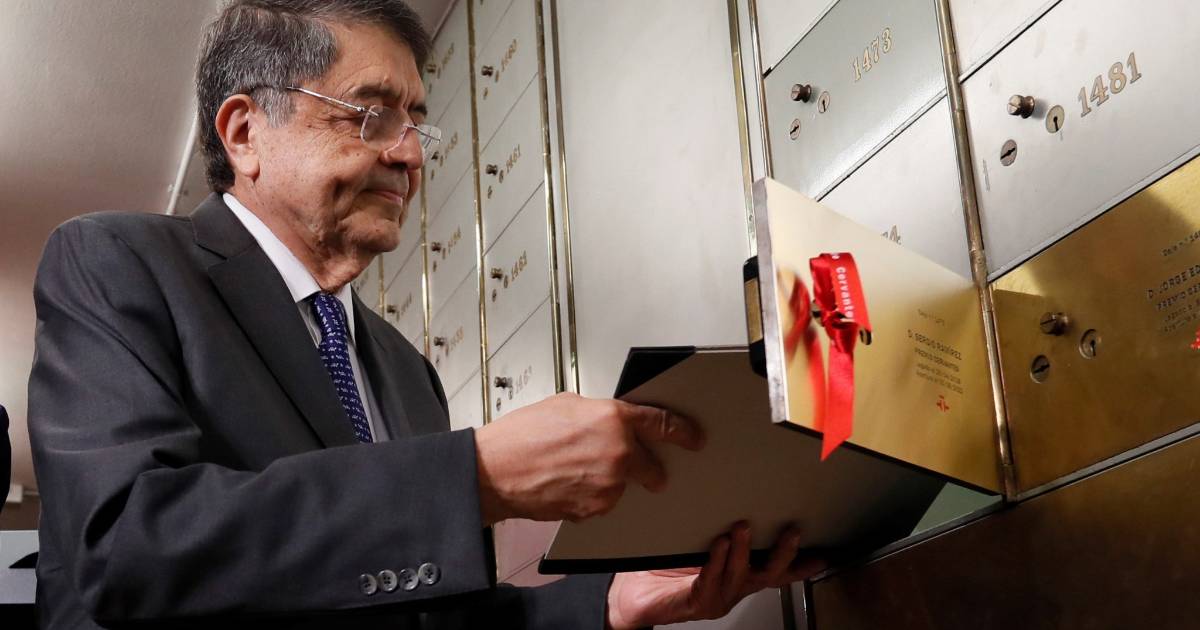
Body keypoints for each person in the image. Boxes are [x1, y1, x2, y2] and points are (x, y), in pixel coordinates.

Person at [27, 1, 819, 628]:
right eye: (370, 115)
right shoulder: (115, 262)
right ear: (245, 133)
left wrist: (611, 602)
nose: (409, 155)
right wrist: (474, 476)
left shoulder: (406, 369)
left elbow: (432, 614)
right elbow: (124, 547)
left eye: (415, 123)